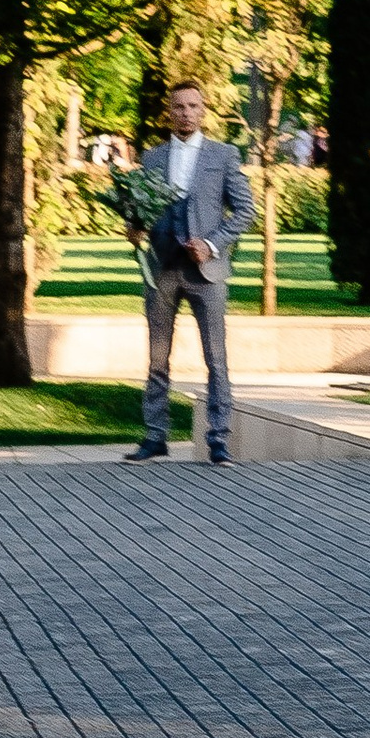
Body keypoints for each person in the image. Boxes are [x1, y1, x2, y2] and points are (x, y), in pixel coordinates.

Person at [122, 81, 254, 466]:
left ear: (203, 110)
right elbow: (139, 209)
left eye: (192, 106)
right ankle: (155, 436)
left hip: (205, 272)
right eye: (178, 106)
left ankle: (218, 439)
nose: (185, 112)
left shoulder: (223, 155)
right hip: (162, 269)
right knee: (157, 358)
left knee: (216, 357)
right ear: (168, 111)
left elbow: (245, 210)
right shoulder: (152, 158)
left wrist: (212, 244)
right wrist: (133, 226)